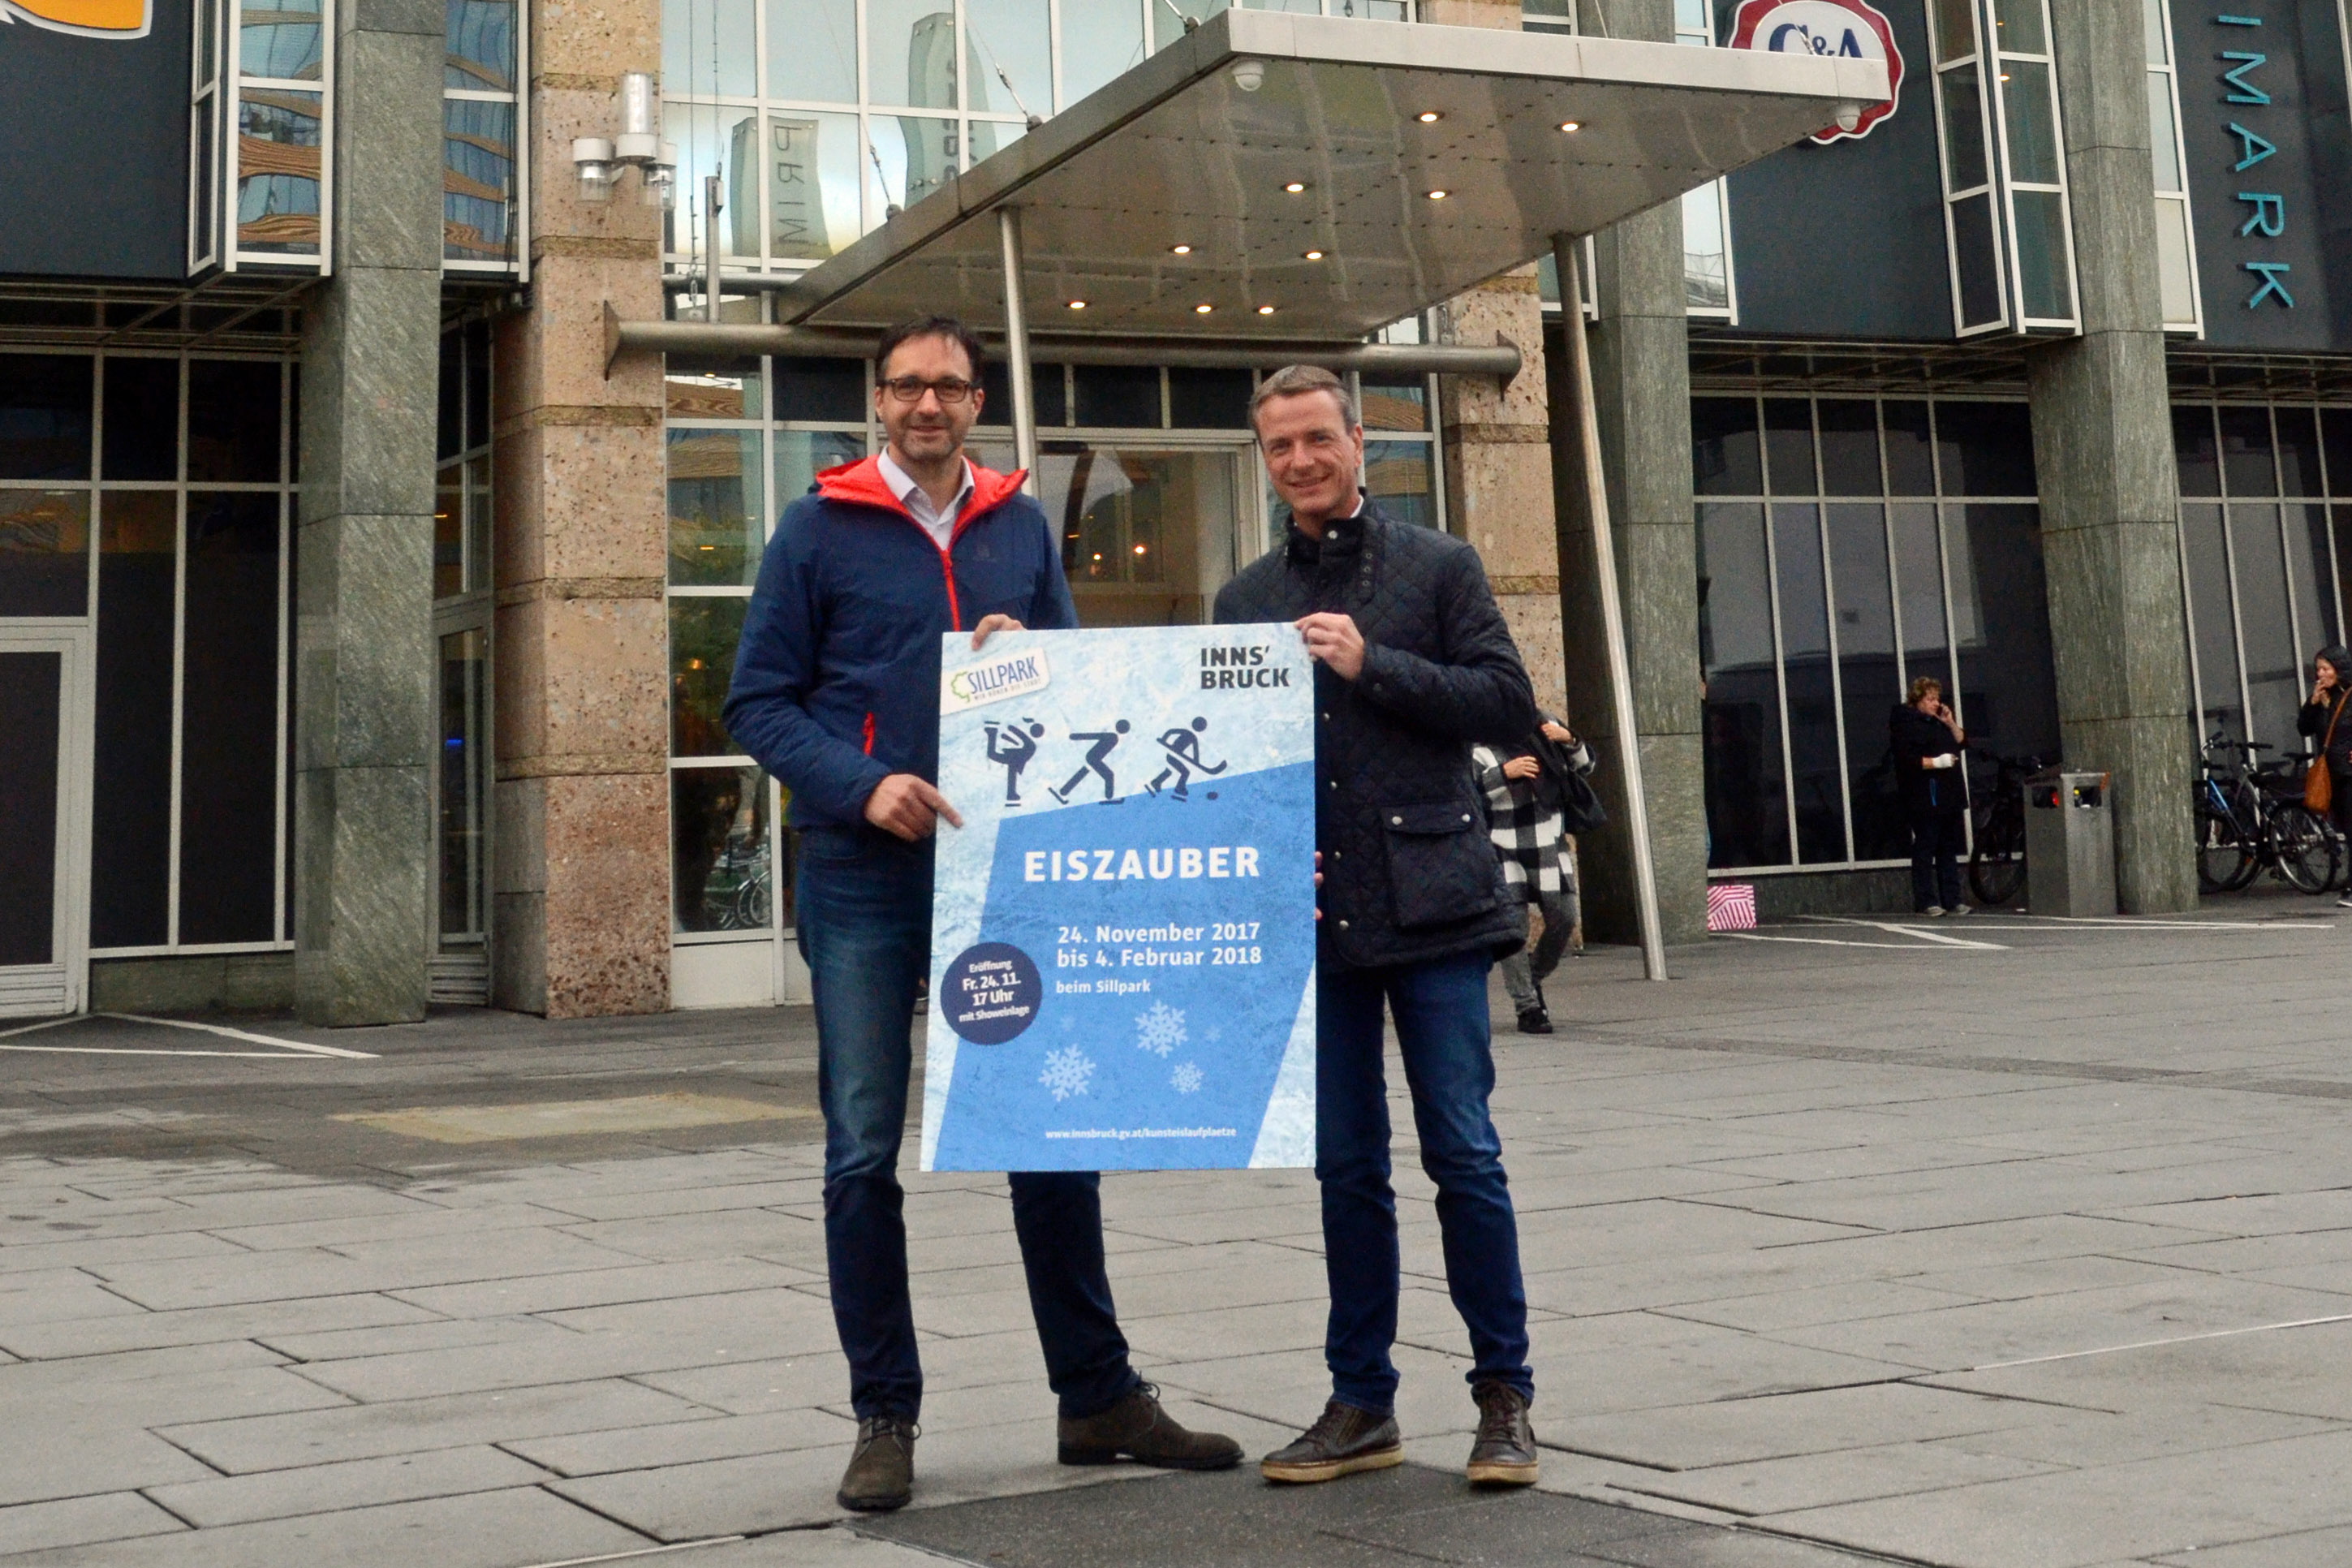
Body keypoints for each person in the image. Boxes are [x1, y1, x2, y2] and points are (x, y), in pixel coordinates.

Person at [723, 316, 1239, 1514]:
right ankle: (883, 1413)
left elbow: (1071, 687)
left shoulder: (1015, 524)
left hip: (1006, 872)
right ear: (878, 401)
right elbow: (757, 704)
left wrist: (1026, 660)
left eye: (949, 387)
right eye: (906, 386)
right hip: (862, 870)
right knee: (861, 1147)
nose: (927, 405)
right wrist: (864, 785)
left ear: (976, 401)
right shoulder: (817, 528)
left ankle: (1097, 1394)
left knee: (1048, 1131)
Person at [1213, 364, 1541, 1489]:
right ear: (1263, 460)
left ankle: (1504, 1398)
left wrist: (1373, 663)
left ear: (1359, 442)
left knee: (1462, 1153)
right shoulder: (1244, 598)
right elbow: (1223, 759)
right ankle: (1361, 1403)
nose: (1299, 460)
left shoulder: (1436, 565)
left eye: (1316, 438)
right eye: (1278, 447)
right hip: (1315, 916)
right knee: (1344, 1167)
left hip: (1435, 902)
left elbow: (1504, 702)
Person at [1471, 714, 1592, 1035]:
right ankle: (1528, 1007)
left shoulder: (1543, 725)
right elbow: (1461, 790)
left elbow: (1586, 767)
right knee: (1513, 929)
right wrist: (1502, 774)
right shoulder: (1474, 736)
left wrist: (1569, 739)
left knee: (1565, 917)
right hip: (1501, 846)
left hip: (1548, 843)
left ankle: (1532, 978)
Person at [1890, 675, 1969, 915]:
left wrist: (1950, 722)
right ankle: (1926, 900)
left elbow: (1962, 741)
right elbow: (1907, 760)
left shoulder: (1938, 723)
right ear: (1918, 700)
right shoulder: (1906, 724)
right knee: (1926, 846)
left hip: (1948, 795)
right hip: (1925, 796)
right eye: (1930, 699)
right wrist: (1937, 762)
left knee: (1948, 847)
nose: (1935, 703)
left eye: (1937, 699)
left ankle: (1952, 898)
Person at [2298, 645, 2352, 909]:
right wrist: (2312, 703)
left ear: (2339, 670)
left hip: (2350, 771)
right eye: (2318, 669)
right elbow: (2303, 729)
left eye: (2326, 669)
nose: (2321, 674)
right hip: (2333, 776)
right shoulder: (2323, 699)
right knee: (2345, 828)